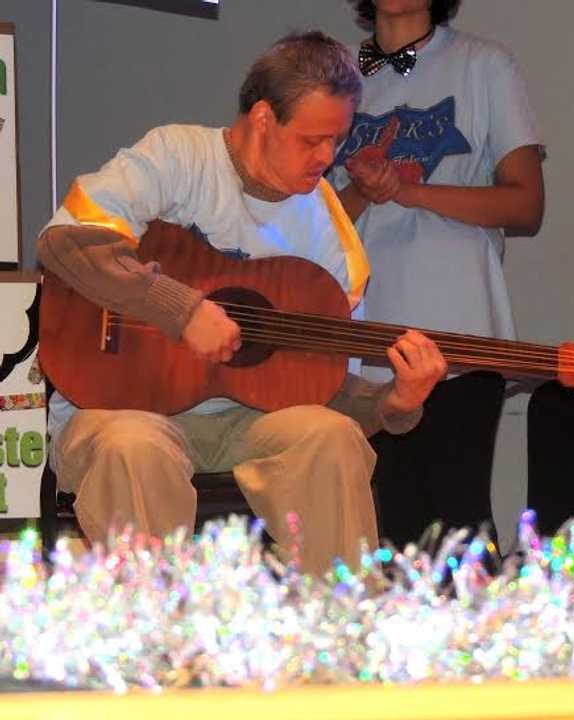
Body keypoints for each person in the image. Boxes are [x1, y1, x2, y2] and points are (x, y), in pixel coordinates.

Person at [36, 31, 447, 576]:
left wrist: (395, 404)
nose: (328, 158)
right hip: (118, 402)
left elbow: (325, 388)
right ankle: (161, 646)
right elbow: (65, 242)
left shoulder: (329, 230)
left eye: (337, 140)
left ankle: (337, 632)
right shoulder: (177, 156)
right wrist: (178, 309)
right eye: (312, 140)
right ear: (261, 119)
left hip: (247, 422)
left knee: (331, 437)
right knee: (133, 446)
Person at [328, 0, 545, 549]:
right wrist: (361, 190)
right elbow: (302, 235)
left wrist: (409, 191)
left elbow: (525, 205)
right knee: (387, 528)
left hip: (460, 328)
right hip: (358, 339)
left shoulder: (484, 63)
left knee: (458, 521)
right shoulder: (329, 79)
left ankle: (480, 635)